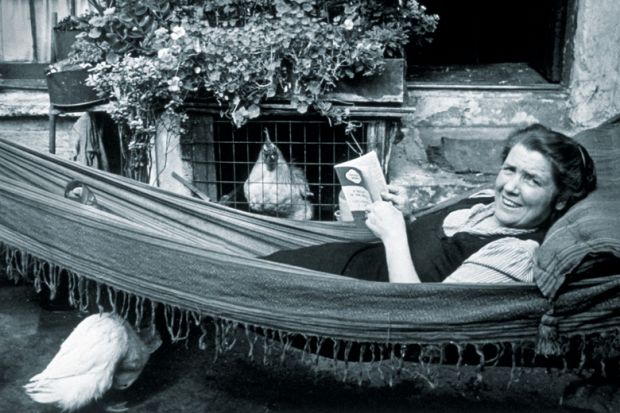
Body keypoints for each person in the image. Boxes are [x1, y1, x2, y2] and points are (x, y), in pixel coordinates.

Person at [264, 124, 597, 283]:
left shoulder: (515, 252)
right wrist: (404, 215)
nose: (510, 187)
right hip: (344, 261)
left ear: (560, 199)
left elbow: (422, 314)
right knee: (257, 266)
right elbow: (434, 250)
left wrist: (394, 235)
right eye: (509, 169)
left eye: (532, 180)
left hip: (345, 297)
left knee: (246, 282)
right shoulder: (484, 201)